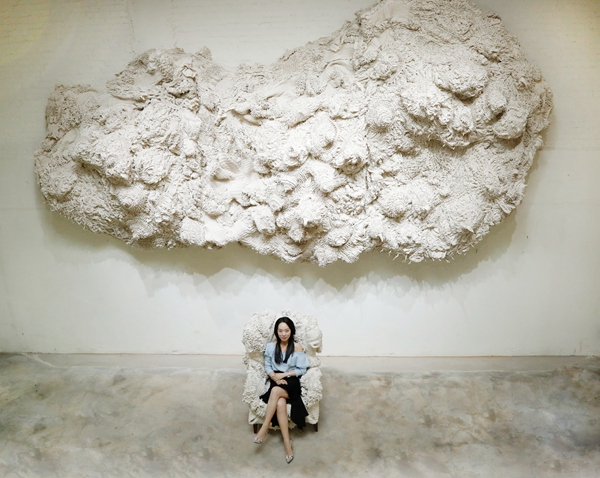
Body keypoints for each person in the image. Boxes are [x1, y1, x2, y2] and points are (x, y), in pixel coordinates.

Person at [253, 316, 311, 464]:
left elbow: (302, 370)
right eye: (280, 331)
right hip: (276, 380)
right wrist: (275, 378)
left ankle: (265, 427)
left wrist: (284, 375)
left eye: (286, 330)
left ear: (291, 331)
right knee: (279, 403)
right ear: (276, 332)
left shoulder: (297, 347)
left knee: (275, 392)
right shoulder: (271, 347)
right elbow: (267, 366)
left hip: (291, 381)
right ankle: (287, 443)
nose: (283, 334)